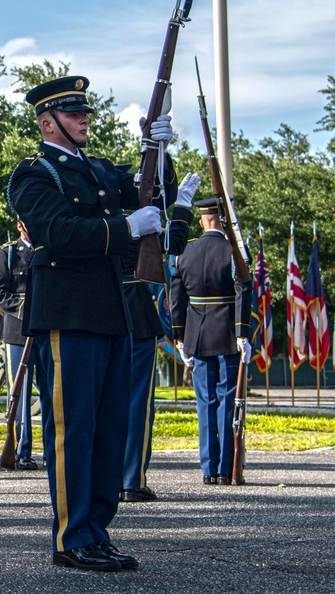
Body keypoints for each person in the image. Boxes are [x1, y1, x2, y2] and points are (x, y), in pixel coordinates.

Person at [7, 75, 177, 572]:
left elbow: (154, 198)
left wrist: (160, 154)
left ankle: (97, 529)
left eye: (85, 113)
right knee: (73, 427)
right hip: (67, 313)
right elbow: (57, 233)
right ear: (47, 123)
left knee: (109, 428)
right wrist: (125, 228)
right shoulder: (34, 174)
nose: (84, 120)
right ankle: (70, 535)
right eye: (73, 114)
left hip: (110, 311)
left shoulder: (100, 169)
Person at [119, 169, 201, 502]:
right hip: (136, 315)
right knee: (138, 403)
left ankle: (108, 476)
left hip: (101, 312)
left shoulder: (99, 218)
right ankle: (131, 478)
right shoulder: (137, 222)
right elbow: (174, 243)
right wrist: (181, 205)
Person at [170, 198, 253, 486]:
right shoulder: (234, 251)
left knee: (205, 401)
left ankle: (208, 468)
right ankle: (225, 466)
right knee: (228, 399)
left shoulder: (186, 251)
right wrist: (243, 332)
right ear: (222, 219)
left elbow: (176, 296)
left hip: (197, 331)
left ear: (203, 220)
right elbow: (243, 289)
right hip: (228, 330)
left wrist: (179, 336)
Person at [0, 219, 39, 471]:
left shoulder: (47, 248)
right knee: (18, 394)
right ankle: (22, 450)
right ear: (21, 225)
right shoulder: (7, 253)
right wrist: (23, 309)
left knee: (53, 392)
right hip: (18, 331)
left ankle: (54, 448)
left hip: (44, 328)